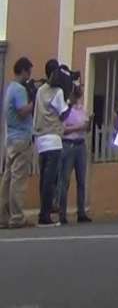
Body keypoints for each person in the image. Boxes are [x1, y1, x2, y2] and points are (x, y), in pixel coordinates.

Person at [32, 60, 72, 226]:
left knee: (44, 180)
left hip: (40, 139)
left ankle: (44, 212)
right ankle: (45, 216)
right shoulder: (58, 92)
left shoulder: (40, 90)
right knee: (51, 180)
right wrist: (69, 102)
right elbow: (63, 114)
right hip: (54, 140)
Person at [0, 57, 35, 229]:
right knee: (18, 179)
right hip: (21, 138)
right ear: (23, 70)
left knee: (7, 178)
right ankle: (17, 217)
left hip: (11, 139)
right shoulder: (20, 89)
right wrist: (33, 103)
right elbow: (22, 111)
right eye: (29, 71)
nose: (30, 75)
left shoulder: (10, 88)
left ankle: (3, 216)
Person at [57, 86, 92, 224]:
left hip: (80, 145)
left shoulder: (82, 109)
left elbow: (86, 129)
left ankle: (81, 212)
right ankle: (62, 213)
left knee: (81, 180)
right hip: (68, 145)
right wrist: (79, 128)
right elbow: (62, 130)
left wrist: (88, 125)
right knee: (65, 180)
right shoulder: (66, 110)